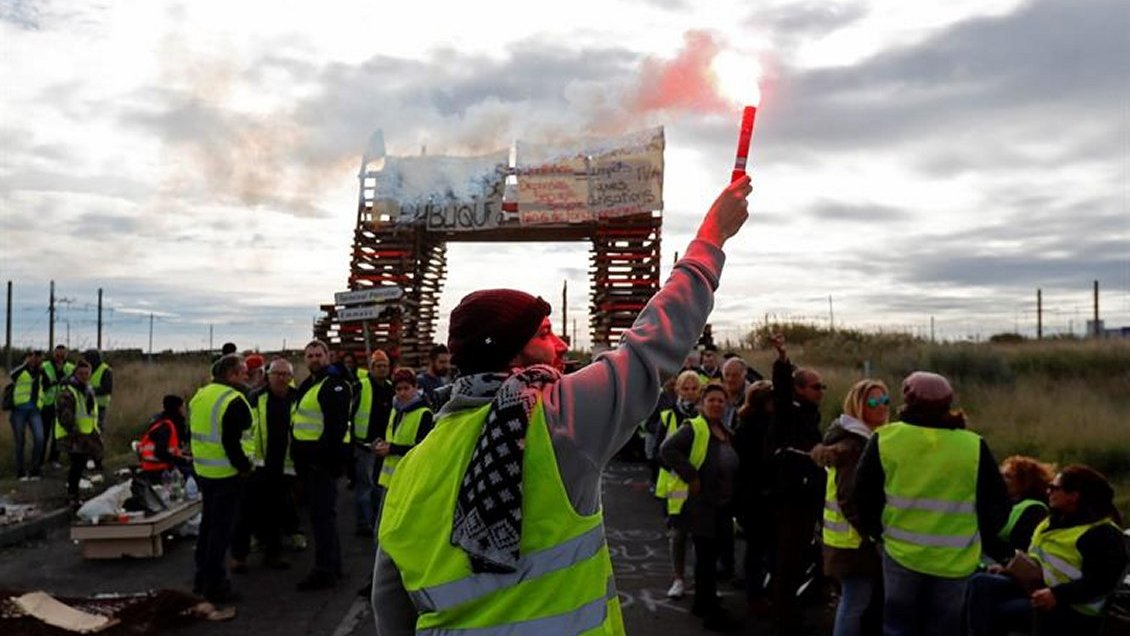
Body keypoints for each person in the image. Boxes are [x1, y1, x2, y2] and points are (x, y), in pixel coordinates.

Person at [372, 175, 752, 635]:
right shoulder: (552, 419)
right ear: (512, 352)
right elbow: (652, 347)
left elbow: (390, 606)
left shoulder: (412, 468)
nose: (561, 344)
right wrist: (712, 236)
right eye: (543, 333)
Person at [854, 371, 1010, 636]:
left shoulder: (886, 439)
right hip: (955, 561)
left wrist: (877, 534)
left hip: (901, 555)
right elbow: (998, 504)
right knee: (944, 628)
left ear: (908, 400)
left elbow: (863, 495)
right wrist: (978, 538)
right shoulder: (973, 445)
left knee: (898, 626)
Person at [967, 465, 1126, 636]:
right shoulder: (1054, 521)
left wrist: (1056, 595)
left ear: (1074, 496)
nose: (1048, 491)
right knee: (980, 583)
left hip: (1073, 608)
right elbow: (1041, 560)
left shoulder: (1103, 534)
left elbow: (1101, 582)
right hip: (1039, 588)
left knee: (1005, 610)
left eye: (1054, 488)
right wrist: (1010, 569)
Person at [810, 379, 891, 636]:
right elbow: (849, 497)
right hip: (854, 543)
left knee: (856, 603)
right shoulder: (856, 446)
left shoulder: (863, 439)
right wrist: (873, 532)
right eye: (874, 402)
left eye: (885, 400)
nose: (882, 407)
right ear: (858, 406)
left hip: (847, 540)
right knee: (854, 603)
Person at [661, 382, 741, 630]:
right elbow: (667, 449)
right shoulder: (694, 428)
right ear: (702, 404)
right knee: (706, 559)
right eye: (711, 400)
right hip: (702, 505)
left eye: (721, 400)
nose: (716, 404)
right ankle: (710, 612)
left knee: (710, 556)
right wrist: (691, 475)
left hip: (722, 504)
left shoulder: (725, 431)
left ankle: (701, 603)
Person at [766, 334, 826, 636]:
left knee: (799, 558)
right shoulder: (789, 410)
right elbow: (780, 389)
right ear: (799, 389)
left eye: (822, 386)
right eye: (816, 386)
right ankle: (784, 620)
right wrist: (782, 358)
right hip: (791, 499)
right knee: (788, 562)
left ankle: (793, 612)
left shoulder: (812, 415)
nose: (821, 391)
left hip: (808, 498)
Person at [188, 353, 254, 604]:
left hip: (205, 472)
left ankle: (201, 579)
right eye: (243, 371)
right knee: (220, 533)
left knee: (207, 528)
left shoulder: (200, 395)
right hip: (227, 474)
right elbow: (232, 442)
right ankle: (215, 586)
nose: (247, 376)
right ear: (231, 374)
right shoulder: (234, 399)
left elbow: (192, 432)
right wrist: (244, 467)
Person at [291, 339, 352, 591]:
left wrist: (320, 461)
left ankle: (325, 571)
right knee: (322, 518)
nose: (314, 359)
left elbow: (335, 429)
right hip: (309, 464)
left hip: (321, 465)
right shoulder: (310, 384)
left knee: (322, 518)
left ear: (328, 356)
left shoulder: (333, 385)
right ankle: (332, 566)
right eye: (310, 355)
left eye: (318, 354)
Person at [231, 358, 297, 572]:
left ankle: (273, 555)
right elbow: (242, 432)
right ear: (267, 376)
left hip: (284, 465)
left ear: (291, 377)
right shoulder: (254, 398)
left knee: (276, 513)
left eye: (285, 374)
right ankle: (239, 557)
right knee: (246, 513)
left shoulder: (297, 399)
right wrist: (244, 461)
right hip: (257, 466)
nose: (281, 378)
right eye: (276, 373)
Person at [653, 368, 703, 599]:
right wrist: (682, 470)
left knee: (701, 537)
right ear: (677, 389)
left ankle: (702, 581)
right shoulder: (668, 416)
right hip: (674, 488)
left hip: (700, 486)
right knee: (679, 536)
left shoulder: (705, 415)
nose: (690, 393)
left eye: (694, 388)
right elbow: (657, 453)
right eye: (686, 388)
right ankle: (679, 579)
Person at [373, 368, 434, 535]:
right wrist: (383, 445)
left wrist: (392, 448)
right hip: (390, 480)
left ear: (415, 387)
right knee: (384, 528)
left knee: (398, 530)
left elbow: (423, 450)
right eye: (398, 389)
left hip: (409, 480)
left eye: (406, 388)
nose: (402, 393)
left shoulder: (424, 414)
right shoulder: (396, 409)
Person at [733, 379, 774, 613]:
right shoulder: (759, 429)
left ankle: (754, 591)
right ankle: (755, 594)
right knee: (758, 549)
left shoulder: (744, 424)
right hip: (757, 497)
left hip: (749, 497)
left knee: (755, 548)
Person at [351, 349, 395, 537]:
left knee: (379, 485)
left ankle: (377, 520)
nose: (382, 369)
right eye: (378, 366)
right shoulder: (361, 386)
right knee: (365, 485)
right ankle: (363, 523)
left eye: (385, 366)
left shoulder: (391, 387)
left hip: (384, 446)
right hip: (365, 445)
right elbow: (350, 413)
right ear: (371, 368)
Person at [982, 455, 1054, 564]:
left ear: (1025, 482)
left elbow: (1020, 550)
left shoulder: (1035, 510)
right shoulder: (1001, 503)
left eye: (1008, 476)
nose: (1000, 480)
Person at [53, 358, 99, 499]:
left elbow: (90, 412)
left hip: (86, 433)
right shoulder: (68, 391)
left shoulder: (88, 390)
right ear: (75, 374)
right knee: (77, 464)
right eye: (81, 374)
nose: (84, 376)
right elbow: (65, 417)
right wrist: (75, 432)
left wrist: (94, 431)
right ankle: (72, 494)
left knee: (80, 464)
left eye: (87, 374)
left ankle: (75, 492)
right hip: (71, 435)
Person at [136, 394, 192, 482]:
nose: (184, 410)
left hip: (154, 465)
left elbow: (170, 449)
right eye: (182, 407)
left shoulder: (162, 421)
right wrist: (182, 459)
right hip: (157, 468)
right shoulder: (166, 427)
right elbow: (160, 452)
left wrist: (183, 455)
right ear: (177, 409)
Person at [7, 350, 45, 480]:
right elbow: (12, 375)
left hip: (35, 409)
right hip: (19, 410)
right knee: (20, 441)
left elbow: (48, 382)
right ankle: (21, 472)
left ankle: (35, 469)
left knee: (40, 438)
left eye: (36, 357)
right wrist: (25, 364)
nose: (34, 360)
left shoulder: (40, 372)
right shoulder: (20, 371)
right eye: (32, 357)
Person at [40, 344, 74, 470]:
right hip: (47, 404)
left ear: (66, 355)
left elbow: (72, 383)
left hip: (62, 405)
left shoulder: (70, 367)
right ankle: (39, 460)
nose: (60, 357)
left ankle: (54, 459)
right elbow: (42, 383)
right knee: (43, 434)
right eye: (58, 354)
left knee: (57, 435)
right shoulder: (45, 366)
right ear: (53, 354)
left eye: (62, 354)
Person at [416, 343, 453, 408]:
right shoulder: (421, 382)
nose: (446, 366)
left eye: (448, 362)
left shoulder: (446, 381)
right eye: (442, 362)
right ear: (431, 361)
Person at [721, 356, 748, 432]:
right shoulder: (717, 396)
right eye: (727, 375)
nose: (730, 379)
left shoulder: (754, 396)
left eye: (735, 375)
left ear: (744, 375)